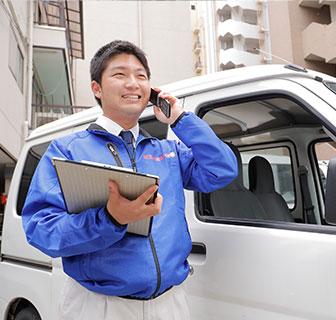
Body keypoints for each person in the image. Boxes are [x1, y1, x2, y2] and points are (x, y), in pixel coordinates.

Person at [22, 40, 238, 320]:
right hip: (100, 306)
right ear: (96, 88)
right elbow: (40, 229)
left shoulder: (167, 150)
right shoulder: (67, 150)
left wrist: (181, 119)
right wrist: (110, 219)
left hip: (170, 304)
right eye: (120, 75)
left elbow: (222, 169)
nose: (133, 83)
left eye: (141, 76)